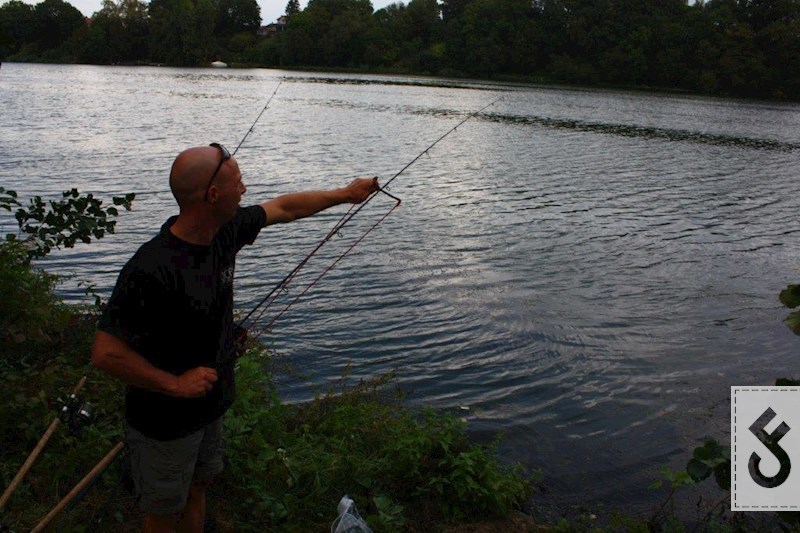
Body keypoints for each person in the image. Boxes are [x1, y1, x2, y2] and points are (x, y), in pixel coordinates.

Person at [91, 143, 379, 532]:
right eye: (238, 181)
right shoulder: (151, 268)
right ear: (212, 195)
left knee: (198, 488)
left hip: (210, 404)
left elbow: (284, 208)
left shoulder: (223, 232)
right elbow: (106, 353)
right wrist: (174, 384)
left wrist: (346, 194)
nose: (244, 189)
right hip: (165, 424)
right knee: (163, 512)